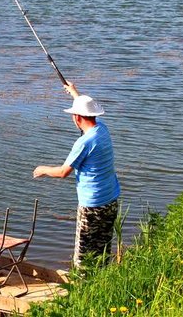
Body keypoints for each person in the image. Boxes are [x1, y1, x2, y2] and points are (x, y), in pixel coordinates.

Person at [32, 82, 120, 267]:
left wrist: (43, 169)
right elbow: (86, 113)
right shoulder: (102, 129)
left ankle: (83, 289)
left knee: (83, 256)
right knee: (102, 250)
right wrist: (74, 93)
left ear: (77, 118)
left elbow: (63, 172)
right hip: (111, 200)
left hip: (92, 206)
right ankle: (102, 284)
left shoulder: (84, 142)